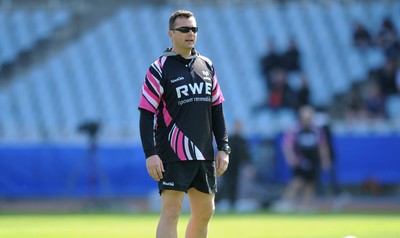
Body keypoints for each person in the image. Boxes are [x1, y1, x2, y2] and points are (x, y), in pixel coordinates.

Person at [138, 10, 230, 238]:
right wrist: (151, 154)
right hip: (172, 152)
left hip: (204, 152)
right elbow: (146, 114)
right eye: (184, 29)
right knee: (171, 212)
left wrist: (224, 148)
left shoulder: (206, 65)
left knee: (206, 211)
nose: (191, 33)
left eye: (194, 29)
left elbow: (217, 109)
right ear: (171, 34)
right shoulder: (159, 68)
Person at [274, 106, 330, 212]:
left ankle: (306, 205)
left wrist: (325, 159)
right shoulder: (295, 129)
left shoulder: (317, 130)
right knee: (297, 181)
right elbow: (287, 145)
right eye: (305, 117)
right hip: (300, 159)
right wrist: (291, 158)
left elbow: (322, 146)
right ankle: (287, 202)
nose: (307, 120)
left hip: (313, 159)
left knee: (311, 183)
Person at [217, 120, 250, 210]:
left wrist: (247, 165)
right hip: (227, 165)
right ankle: (218, 200)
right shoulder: (229, 139)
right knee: (226, 184)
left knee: (235, 184)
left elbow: (245, 154)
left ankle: (232, 203)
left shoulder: (242, 140)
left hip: (237, 166)